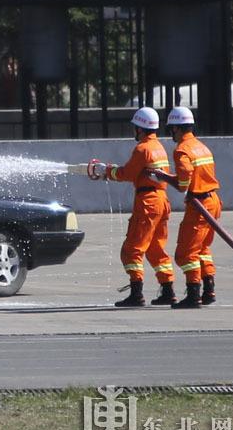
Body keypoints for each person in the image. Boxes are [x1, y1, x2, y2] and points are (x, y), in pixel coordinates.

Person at [89, 107, 176, 307]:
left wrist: (107, 171)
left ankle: (136, 293)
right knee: (155, 248)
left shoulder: (142, 149)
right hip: (162, 200)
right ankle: (168, 290)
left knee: (131, 250)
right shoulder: (159, 148)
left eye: (135, 128)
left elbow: (127, 173)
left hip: (147, 202)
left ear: (140, 128)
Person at [149, 106, 221, 309]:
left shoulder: (182, 150)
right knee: (202, 248)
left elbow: (182, 185)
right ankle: (209, 290)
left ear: (177, 129)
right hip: (213, 201)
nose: (171, 132)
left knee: (185, 253)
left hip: (200, 205)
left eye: (172, 128)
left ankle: (193, 294)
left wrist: (162, 176)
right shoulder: (201, 146)